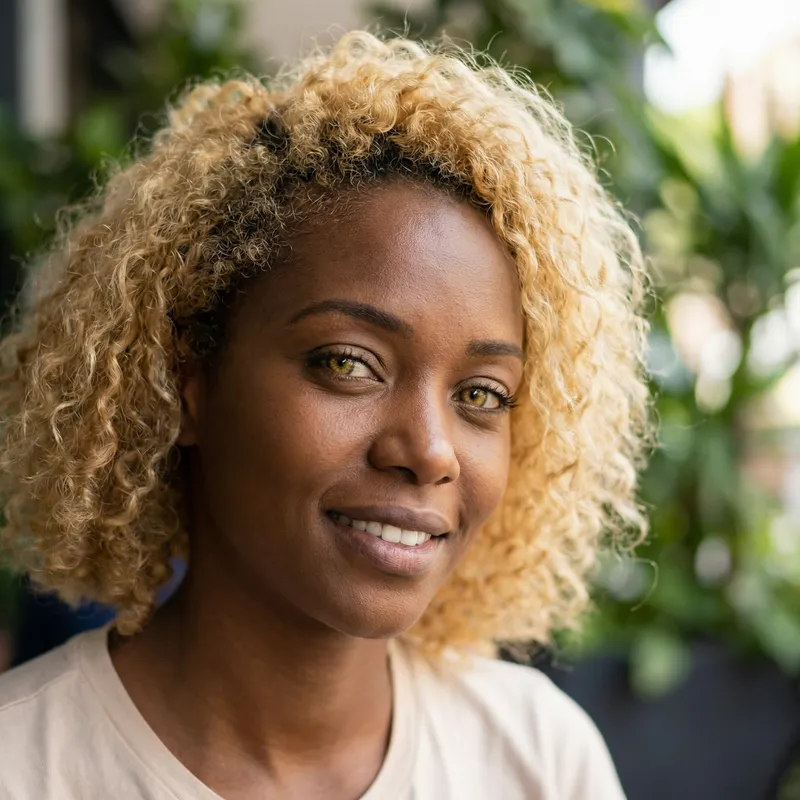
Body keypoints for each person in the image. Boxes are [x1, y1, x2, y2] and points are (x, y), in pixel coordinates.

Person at [0, 31, 649, 799]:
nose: (431, 450)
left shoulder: (538, 759)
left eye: (481, 394)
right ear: (187, 385)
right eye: (348, 363)